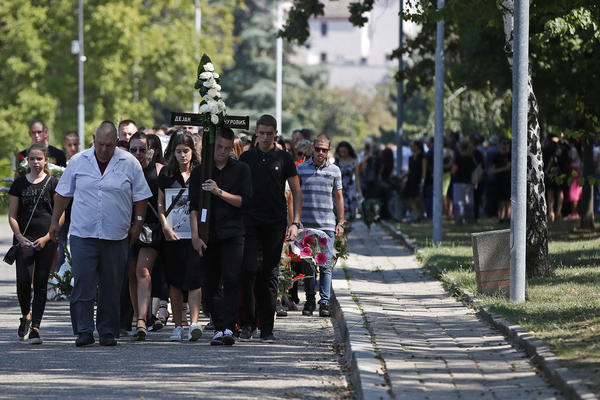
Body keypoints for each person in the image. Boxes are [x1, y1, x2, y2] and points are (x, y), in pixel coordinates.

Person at [49, 121, 152, 347]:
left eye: (109, 145)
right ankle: (83, 330)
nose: (104, 150)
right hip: (83, 234)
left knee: (112, 285)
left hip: (116, 236)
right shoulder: (78, 161)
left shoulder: (129, 163)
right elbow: (62, 194)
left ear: (116, 143)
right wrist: (55, 221)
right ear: (93, 141)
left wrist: (137, 224)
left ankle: (107, 330)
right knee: (83, 283)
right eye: (100, 144)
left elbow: (141, 196)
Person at [239, 114, 302, 343]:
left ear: (275, 133)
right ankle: (247, 323)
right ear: (256, 133)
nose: (265, 137)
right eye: (262, 133)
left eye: (269, 133)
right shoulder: (246, 157)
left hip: (275, 222)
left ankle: (267, 328)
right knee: (248, 270)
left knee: (270, 273)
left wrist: (295, 222)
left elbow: (296, 190)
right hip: (249, 220)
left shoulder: (284, 158)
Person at [189, 127, 252, 346]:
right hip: (208, 234)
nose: (223, 152)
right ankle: (218, 326)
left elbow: (244, 201)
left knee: (232, 280)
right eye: (219, 147)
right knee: (209, 283)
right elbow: (193, 207)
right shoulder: (200, 172)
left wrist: (218, 192)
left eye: (227, 148)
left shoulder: (241, 169)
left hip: (233, 232)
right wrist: (195, 236)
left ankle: (228, 327)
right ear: (211, 146)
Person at [8, 143, 64, 344]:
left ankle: (36, 328)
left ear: (45, 160)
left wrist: (48, 237)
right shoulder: (19, 184)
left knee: (40, 284)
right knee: (23, 281)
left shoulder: (53, 183)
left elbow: (60, 214)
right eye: (32, 159)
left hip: (46, 239)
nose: (36, 163)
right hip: (24, 239)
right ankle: (26, 315)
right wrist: (19, 237)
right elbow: (12, 215)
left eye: (39, 159)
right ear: (27, 161)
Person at [157, 132, 203, 342]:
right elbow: (159, 203)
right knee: (174, 281)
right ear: (172, 152)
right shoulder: (166, 173)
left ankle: (194, 323)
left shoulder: (200, 172)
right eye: (178, 151)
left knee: (195, 279)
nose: (182, 155)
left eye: (186, 151)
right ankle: (178, 325)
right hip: (173, 234)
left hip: (195, 234)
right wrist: (165, 226)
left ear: (192, 151)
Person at [297, 134, 345, 317]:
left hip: (326, 224)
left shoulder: (334, 171)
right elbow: (295, 195)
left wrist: (340, 221)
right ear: (312, 148)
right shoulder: (301, 169)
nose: (320, 152)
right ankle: (309, 301)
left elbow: (339, 197)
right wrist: (296, 220)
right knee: (308, 265)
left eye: (324, 149)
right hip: (306, 224)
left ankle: (324, 302)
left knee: (326, 266)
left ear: (328, 151)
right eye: (317, 149)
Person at [127, 132, 164, 341]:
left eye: (142, 149)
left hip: (151, 229)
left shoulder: (158, 171)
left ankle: (141, 320)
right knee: (131, 273)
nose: (138, 153)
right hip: (126, 227)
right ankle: (140, 316)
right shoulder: (123, 169)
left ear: (151, 149)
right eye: (134, 150)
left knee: (142, 270)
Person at [451, 141, 476, 224]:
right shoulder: (470, 158)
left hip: (458, 182)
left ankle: (458, 220)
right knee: (468, 201)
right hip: (468, 182)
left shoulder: (458, 158)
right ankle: (468, 219)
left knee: (458, 202)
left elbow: (454, 170)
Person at [335, 141, 361, 221]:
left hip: (351, 189)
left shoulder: (354, 161)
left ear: (348, 151)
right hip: (340, 188)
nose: (343, 153)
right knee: (340, 210)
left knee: (350, 211)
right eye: (341, 151)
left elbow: (357, 177)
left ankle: (348, 228)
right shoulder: (337, 161)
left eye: (344, 151)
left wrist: (359, 192)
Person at [489, 138, 512, 223]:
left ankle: (508, 217)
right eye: (503, 143)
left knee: (508, 200)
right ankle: (501, 217)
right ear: (499, 144)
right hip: (498, 181)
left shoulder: (510, 155)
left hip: (508, 180)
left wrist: (497, 170)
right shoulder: (496, 156)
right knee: (500, 200)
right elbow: (492, 168)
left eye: (506, 143)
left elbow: (508, 167)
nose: (504, 145)